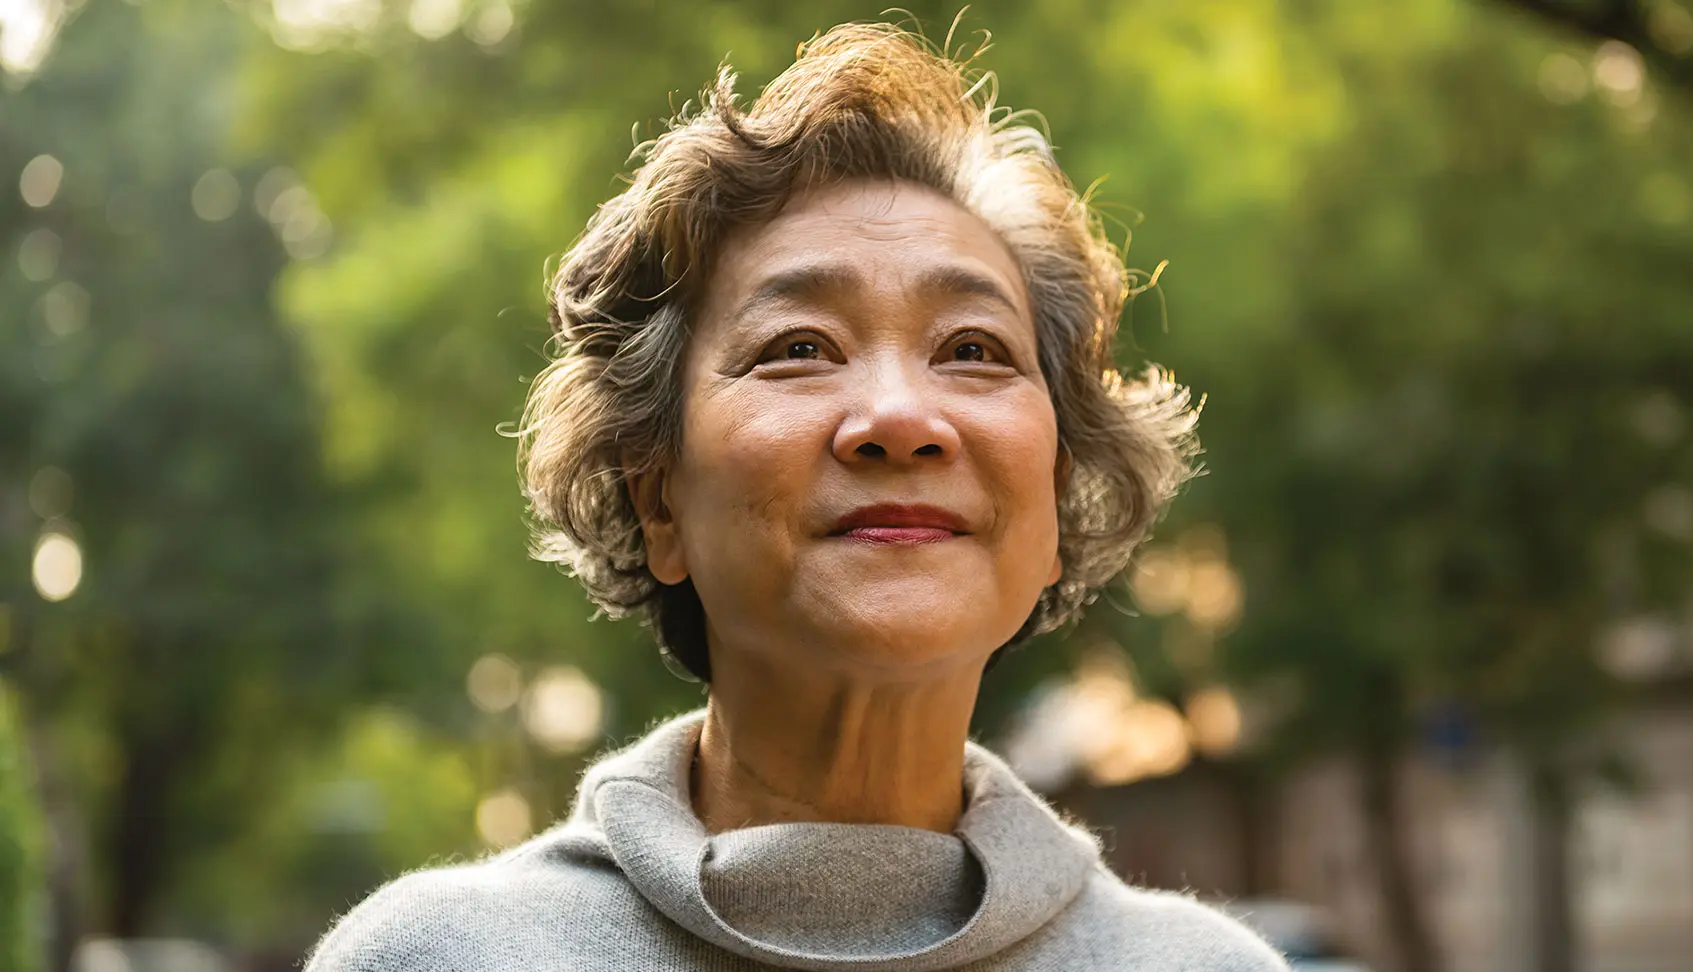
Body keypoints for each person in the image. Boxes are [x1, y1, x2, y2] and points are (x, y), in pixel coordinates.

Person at [305, 21, 1287, 972]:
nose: (900, 417)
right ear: (658, 504)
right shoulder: (436, 960)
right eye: (799, 349)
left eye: (972, 351)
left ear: (1057, 512)